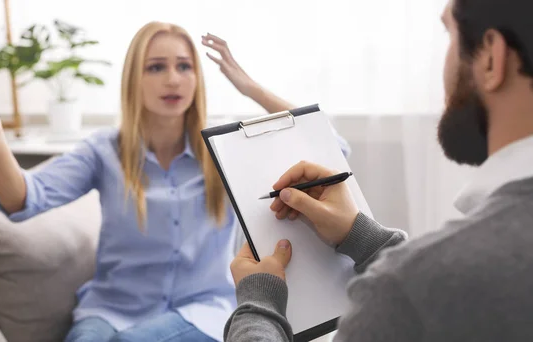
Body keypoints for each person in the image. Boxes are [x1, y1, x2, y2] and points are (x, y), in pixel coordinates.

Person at [0, 22, 350, 342]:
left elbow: (332, 152)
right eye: (157, 67)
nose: (173, 78)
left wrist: (248, 87)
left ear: (196, 79)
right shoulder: (103, 151)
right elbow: (21, 200)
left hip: (200, 311)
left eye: (184, 66)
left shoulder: (221, 149)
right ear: (136, 78)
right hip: (109, 309)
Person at [225, 0, 533, 341]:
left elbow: (428, 287)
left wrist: (257, 302)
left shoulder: (405, 292)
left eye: (449, 34)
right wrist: (366, 239)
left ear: (491, 58)